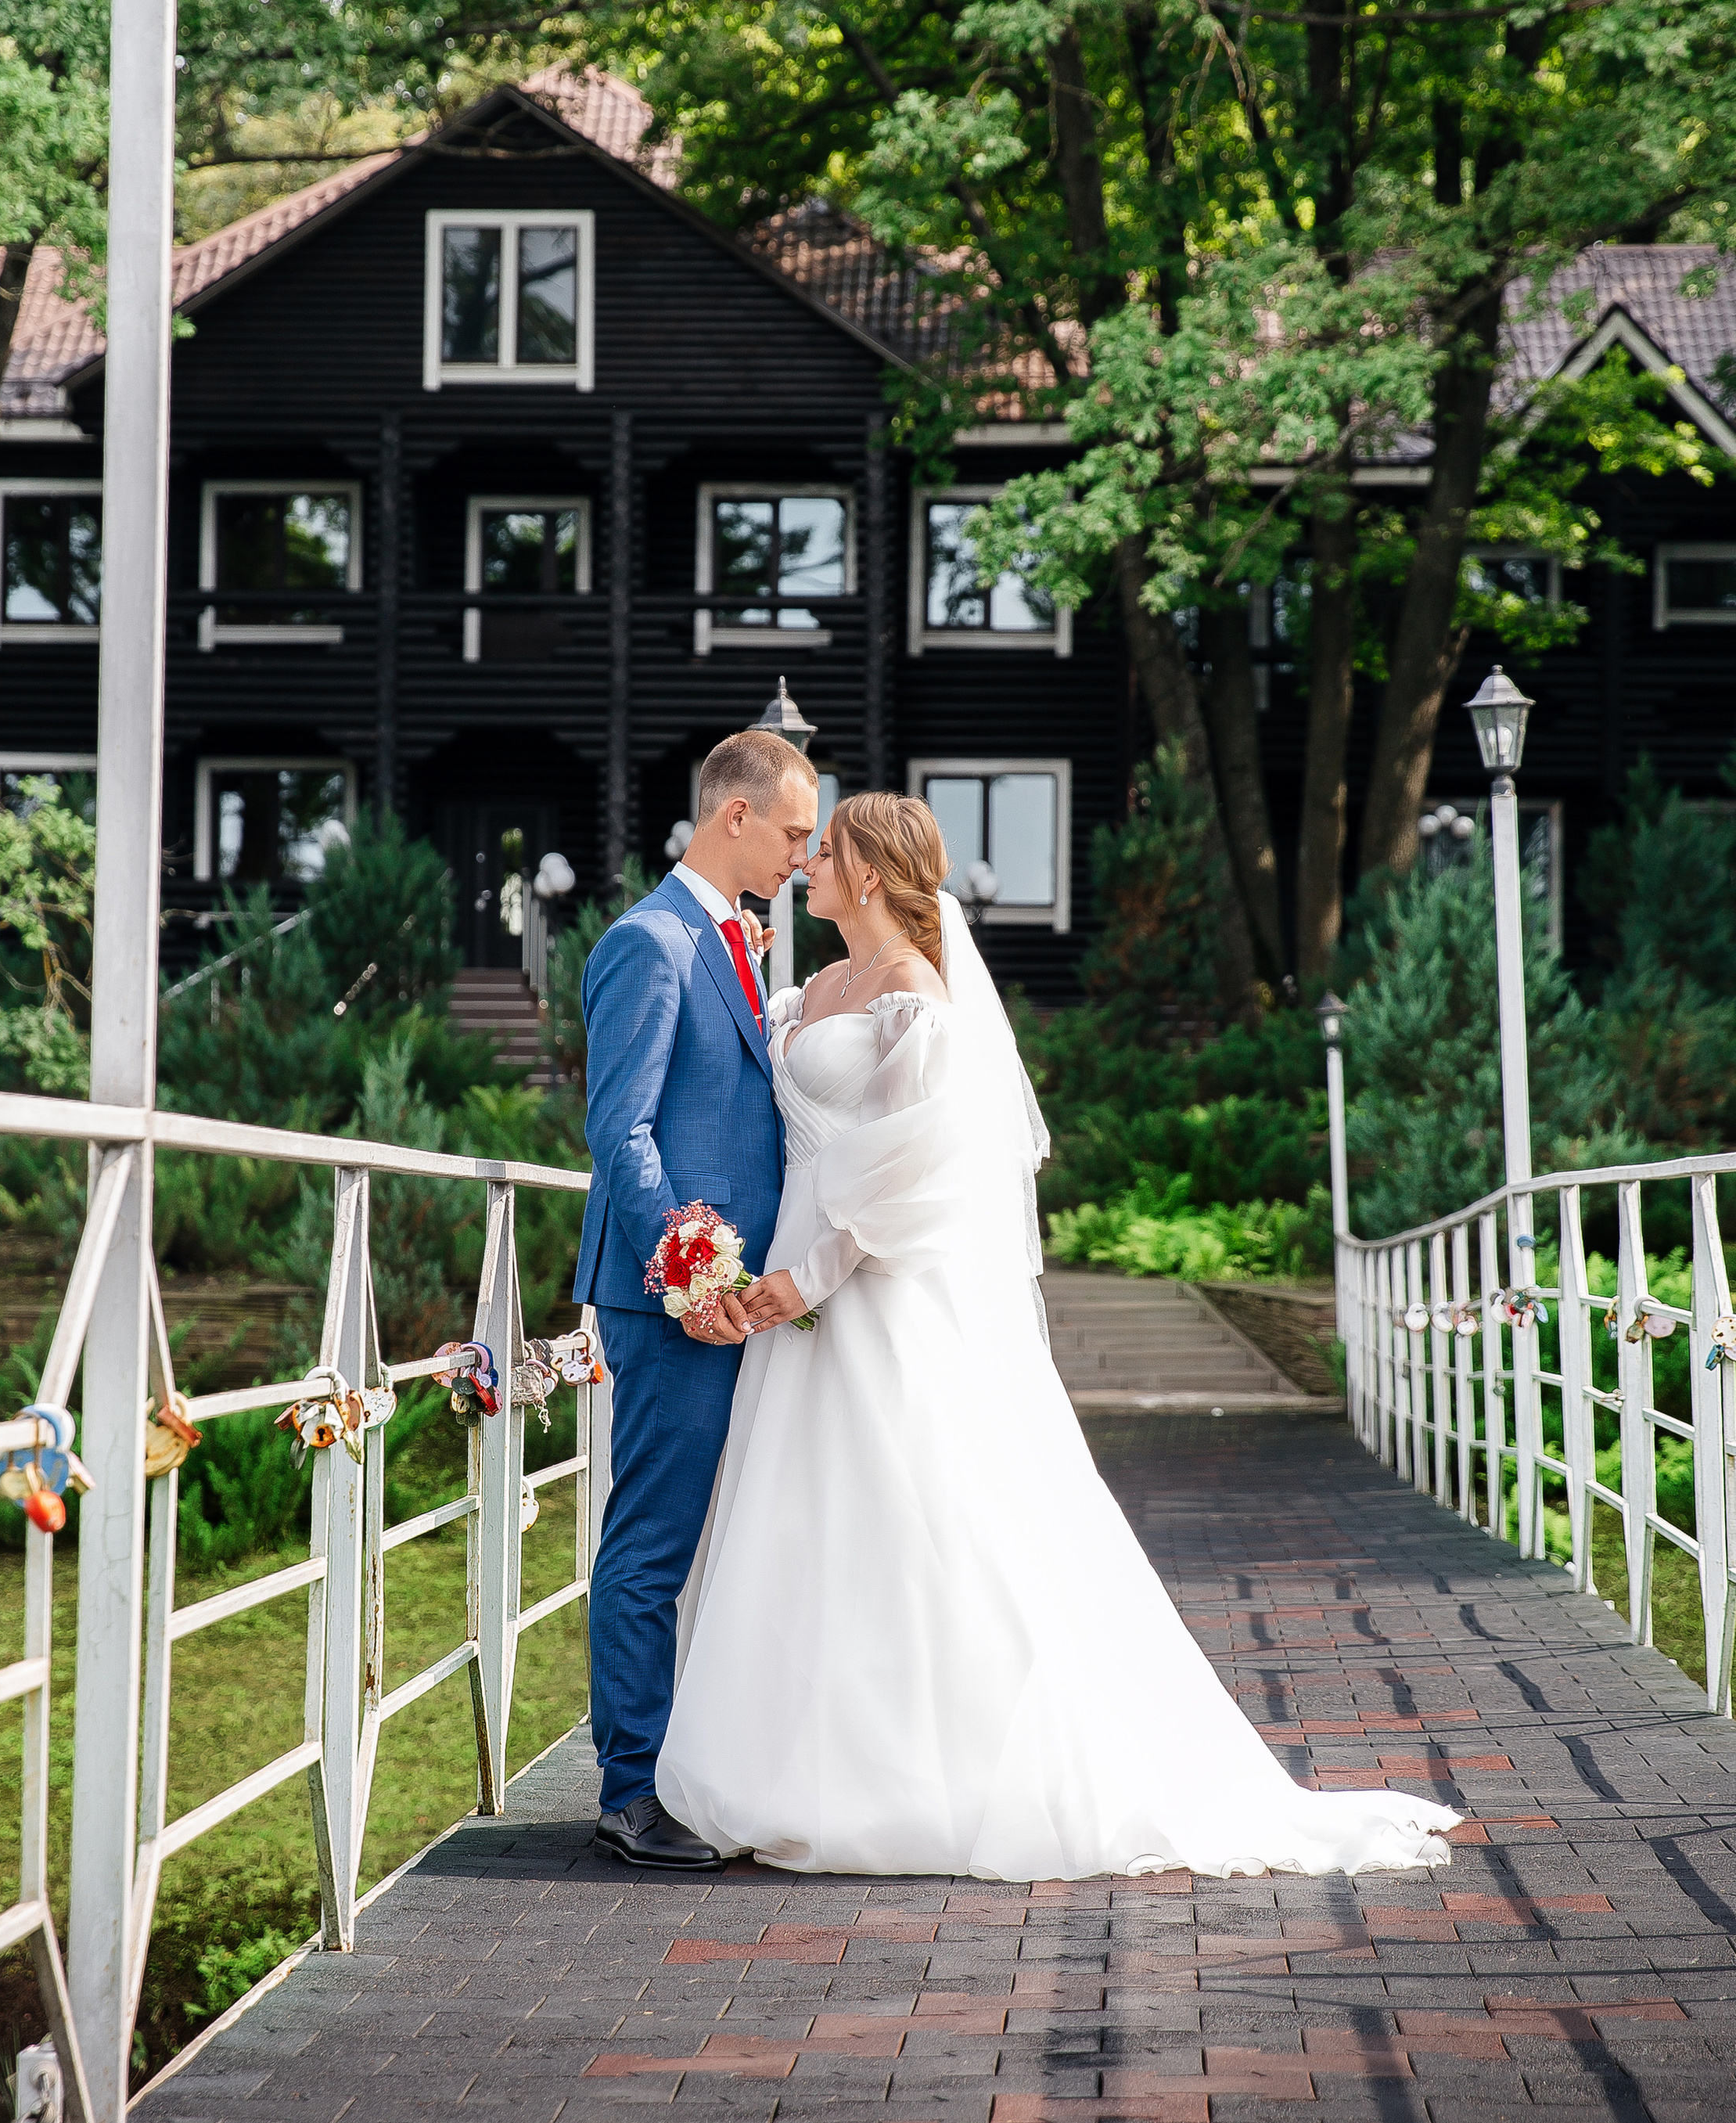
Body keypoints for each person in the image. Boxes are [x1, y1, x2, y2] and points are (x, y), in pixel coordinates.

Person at [656, 790, 1462, 1882]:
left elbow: (921, 1168)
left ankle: (928, 1774)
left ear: (875, 877)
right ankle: (800, 1760)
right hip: (791, 1285)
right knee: (800, 1519)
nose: (810, 866)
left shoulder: (915, 999)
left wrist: (807, 1279)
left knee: (918, 1518)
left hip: (873, 1287)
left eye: (828, 852)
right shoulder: (813, 987)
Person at [574, 726, 819, 1870]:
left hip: (737, 1297)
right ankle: (631, 1794)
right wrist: (690, 1280)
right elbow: (620, 1132)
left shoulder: (729, 940)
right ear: (734, 816)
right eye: (792, 833)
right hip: (680, 1297)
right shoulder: (648, 941)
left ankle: (691, 1766)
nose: (803, 856)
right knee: (653, 1541)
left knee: (721, 1539)